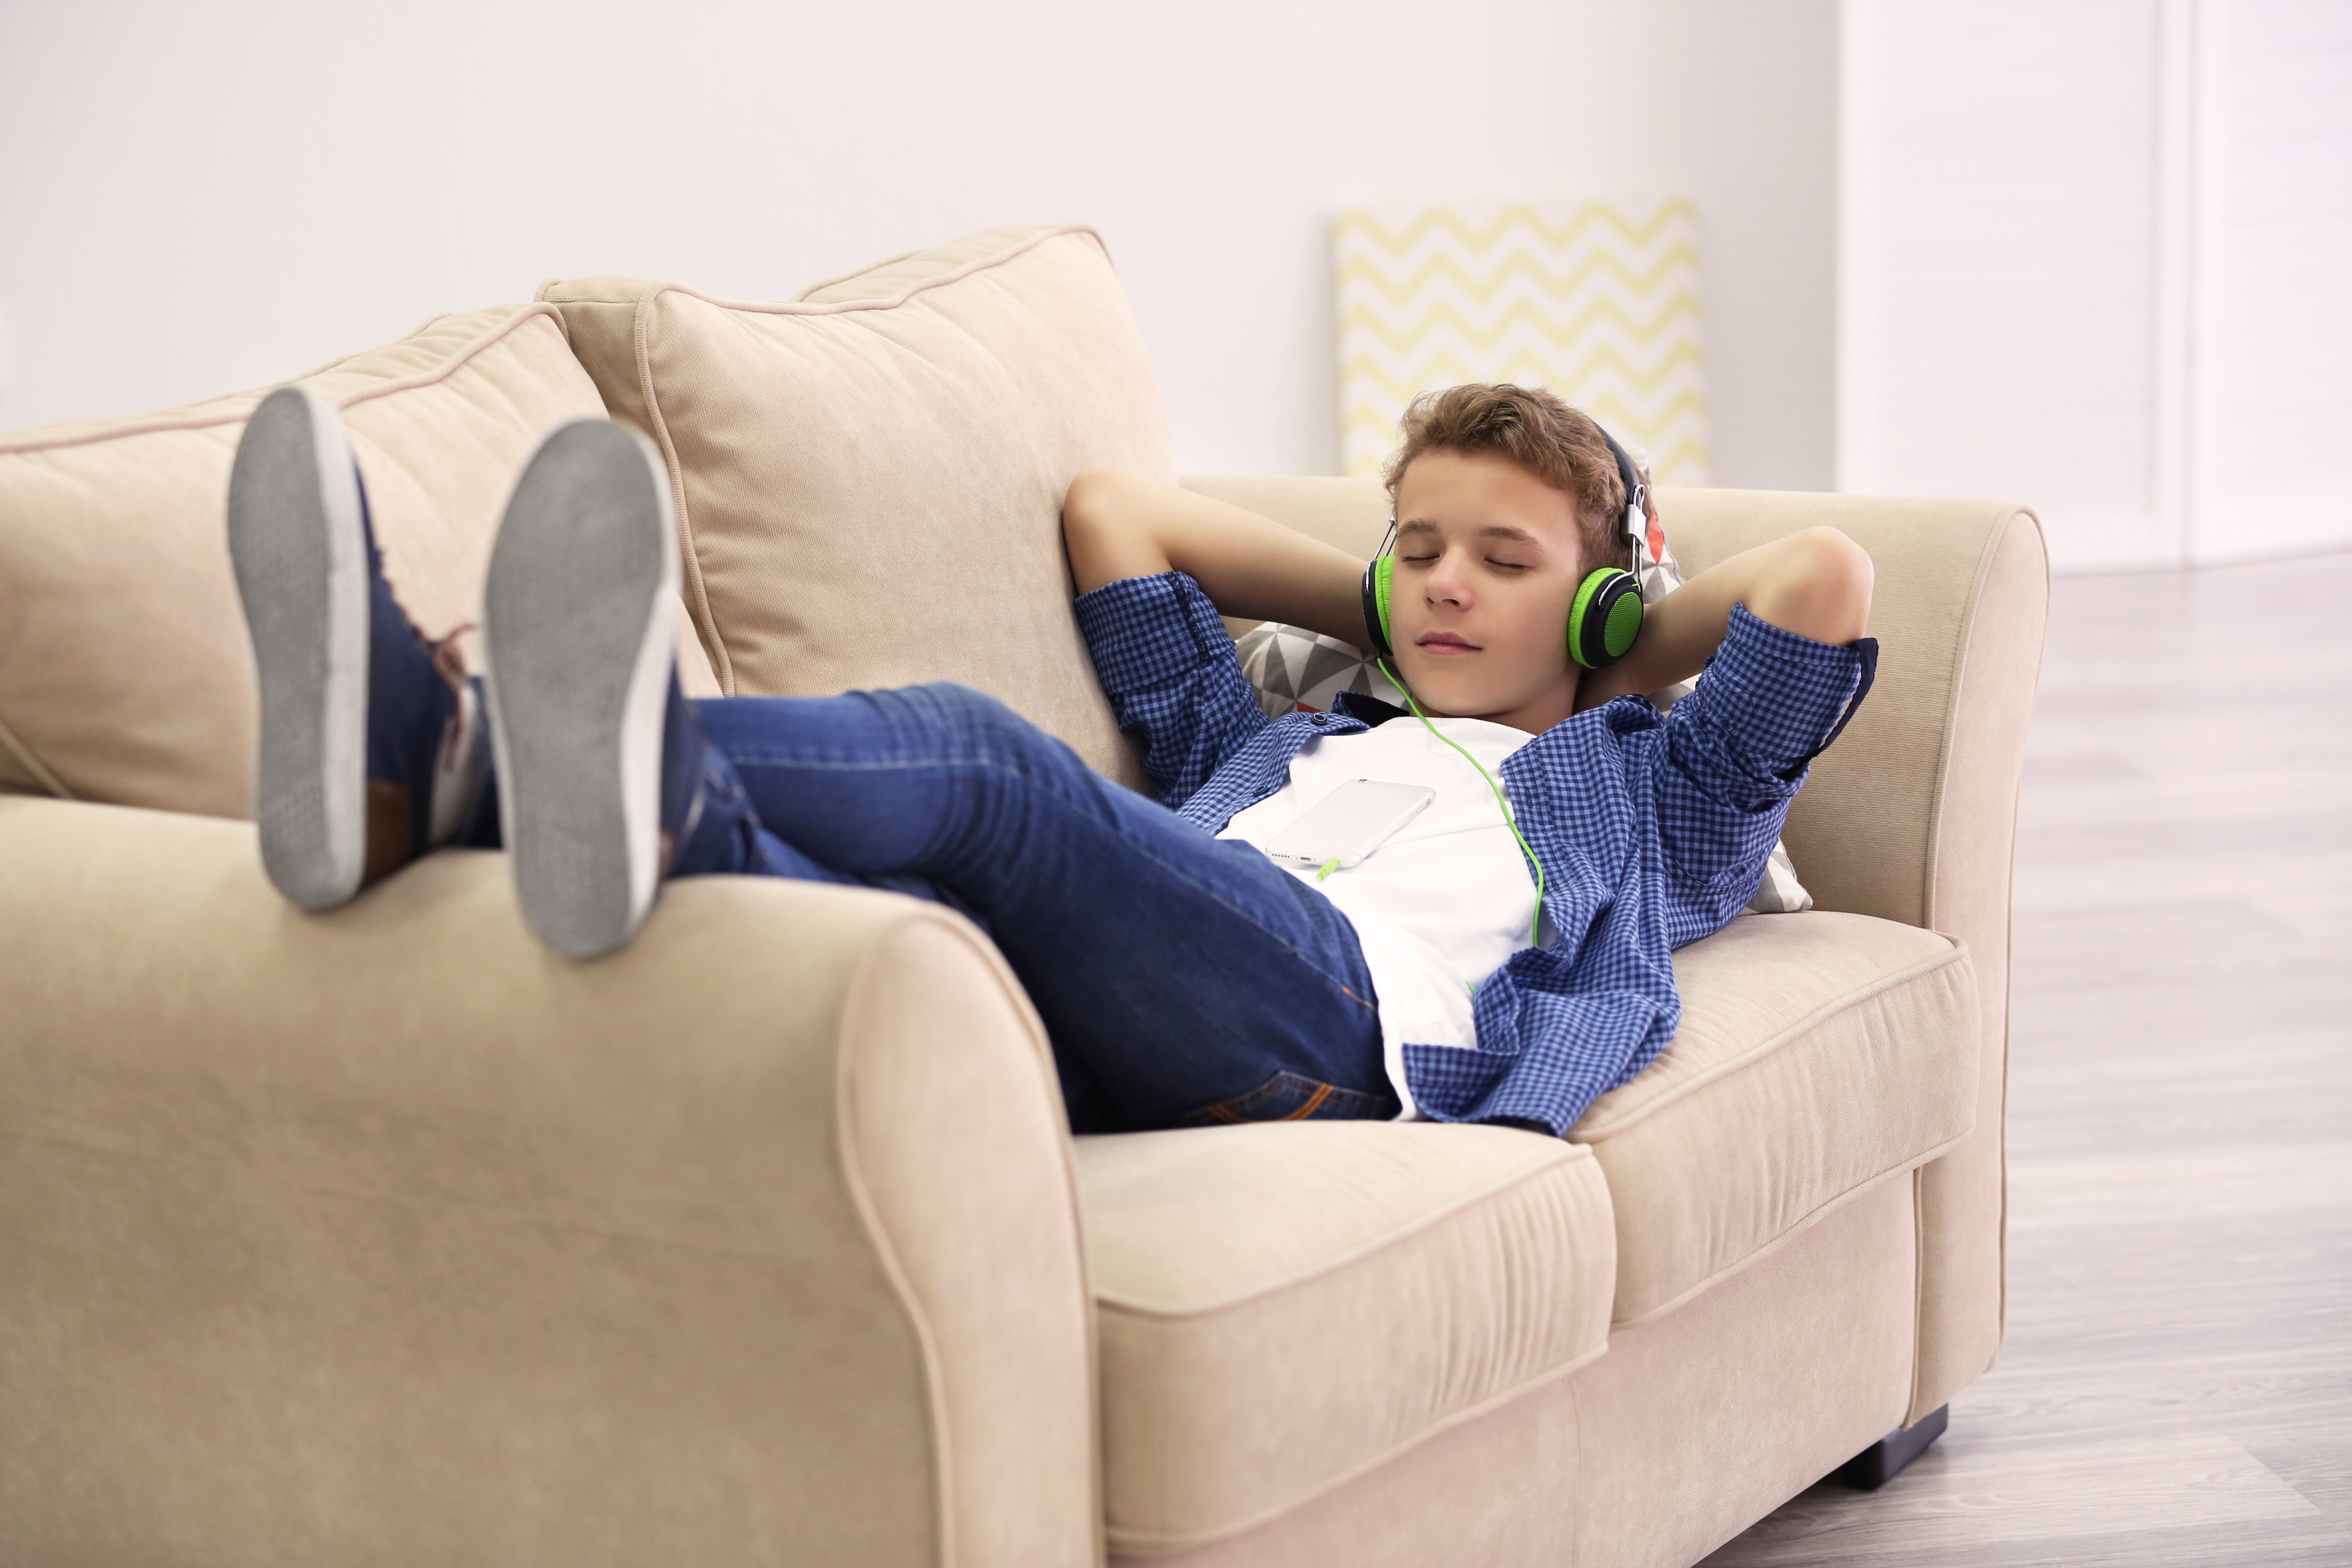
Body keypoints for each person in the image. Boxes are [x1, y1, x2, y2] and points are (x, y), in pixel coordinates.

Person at [228, 381, 1873, 1137]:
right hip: (1139, 1010)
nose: (1442, 583)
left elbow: (1821, 585)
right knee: (830, 926)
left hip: (1348, 1028)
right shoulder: (1284, 738)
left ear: (1600, 602)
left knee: (978, 765)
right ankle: (550, 790)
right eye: (1414, 548)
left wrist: (1603, 640)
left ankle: (448, 754)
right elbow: (1116, 516)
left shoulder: (1652, 805)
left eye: (1501, 561)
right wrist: (1376, 600)